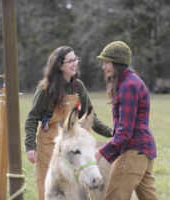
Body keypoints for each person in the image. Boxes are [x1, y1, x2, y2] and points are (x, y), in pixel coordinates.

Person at [25, 46, 112, 200]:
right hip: (48, 148)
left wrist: (111, 132)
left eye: (75, 59)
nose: (74, 63)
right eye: (70, 61)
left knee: (76, 192)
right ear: (60, 65)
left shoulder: (79, 87)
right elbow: (32, 118)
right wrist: (30, 146)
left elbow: (91, 117)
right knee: (48, 191)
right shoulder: (45, 89)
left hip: (73, 149)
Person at [95, 41, 160, 200]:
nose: (104, 67)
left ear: (117, 63)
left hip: (133, 152)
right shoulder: (129, 82)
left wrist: (100, 153)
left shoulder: (129, 86)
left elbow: (124, 133)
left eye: (106, 63)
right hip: (142, 151)